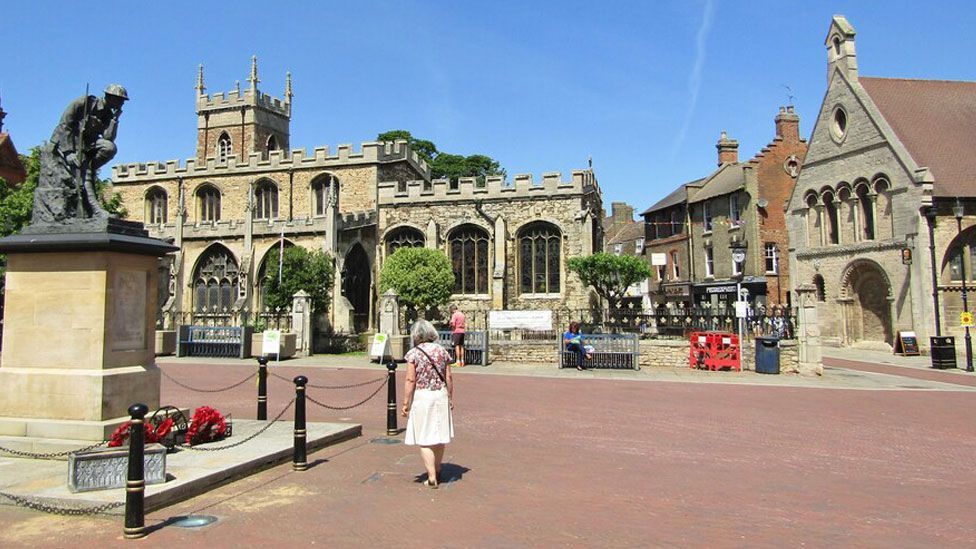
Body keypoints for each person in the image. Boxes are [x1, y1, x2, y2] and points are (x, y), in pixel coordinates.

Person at [33, 84, 129, 225]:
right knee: (85, 168)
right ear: (110, 97)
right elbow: (64, 125)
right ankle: (96, 210)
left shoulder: (108, 113)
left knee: (109, 148)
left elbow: (108, 138)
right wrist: (69, 152)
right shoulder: (84, 103)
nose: (121, 103)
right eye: (120, 100)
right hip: (67, 142)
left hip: (87, 145)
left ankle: (88, 168)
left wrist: (115, 119)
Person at [402, 319, 454, 488]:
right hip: (440, 395)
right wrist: (450, 397)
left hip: (423, 396)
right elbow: (449, 377)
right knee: (439, 435)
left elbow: (410, 379)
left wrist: (405, 403)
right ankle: (437, 469)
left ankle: (431, 476)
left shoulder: (413, 353)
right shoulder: (442, 351)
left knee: (424, 437)